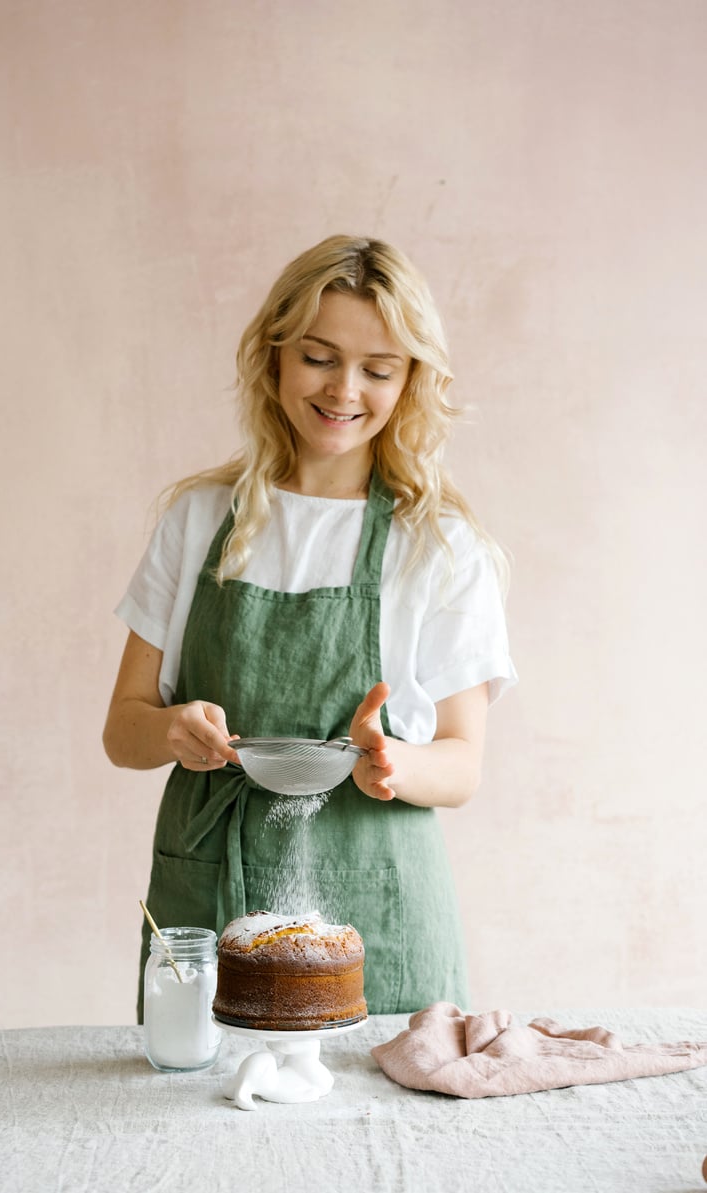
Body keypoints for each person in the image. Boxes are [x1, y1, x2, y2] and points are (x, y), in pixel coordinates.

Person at [103, 234, 517, 1020]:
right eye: (319, 356)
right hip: (211, 888)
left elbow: (462, 765)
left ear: (411, 381)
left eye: (379, 368)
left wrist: (393, 761)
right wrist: (170, 730)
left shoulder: (438, 545)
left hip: (381, 904)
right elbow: (122, 730)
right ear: (275, 358)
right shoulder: (198, 523)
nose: (344, 388)